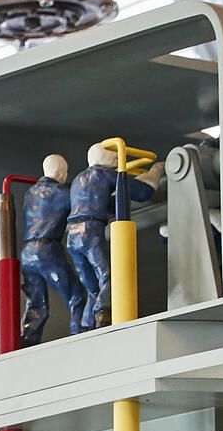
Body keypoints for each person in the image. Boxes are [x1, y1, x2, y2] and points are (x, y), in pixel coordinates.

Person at [67, 138, 159, 332]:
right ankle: (102, 314)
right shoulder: (104, 174)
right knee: (109, 277)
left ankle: (83, 327)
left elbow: (105, 204)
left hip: (72, 235)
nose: (118, 160)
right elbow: (143, 193)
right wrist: (155, 172)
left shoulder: (77, 180)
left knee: (92, 287)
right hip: (90, 232)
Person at [16, 155, 84, 342]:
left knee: (36, 304)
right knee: (75, 294)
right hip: (47, 250)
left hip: (27, 253)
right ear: (61, 172)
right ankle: (79, 335)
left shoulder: (30, 193)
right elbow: (83, 205)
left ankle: (28, 341)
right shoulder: (62, 193)